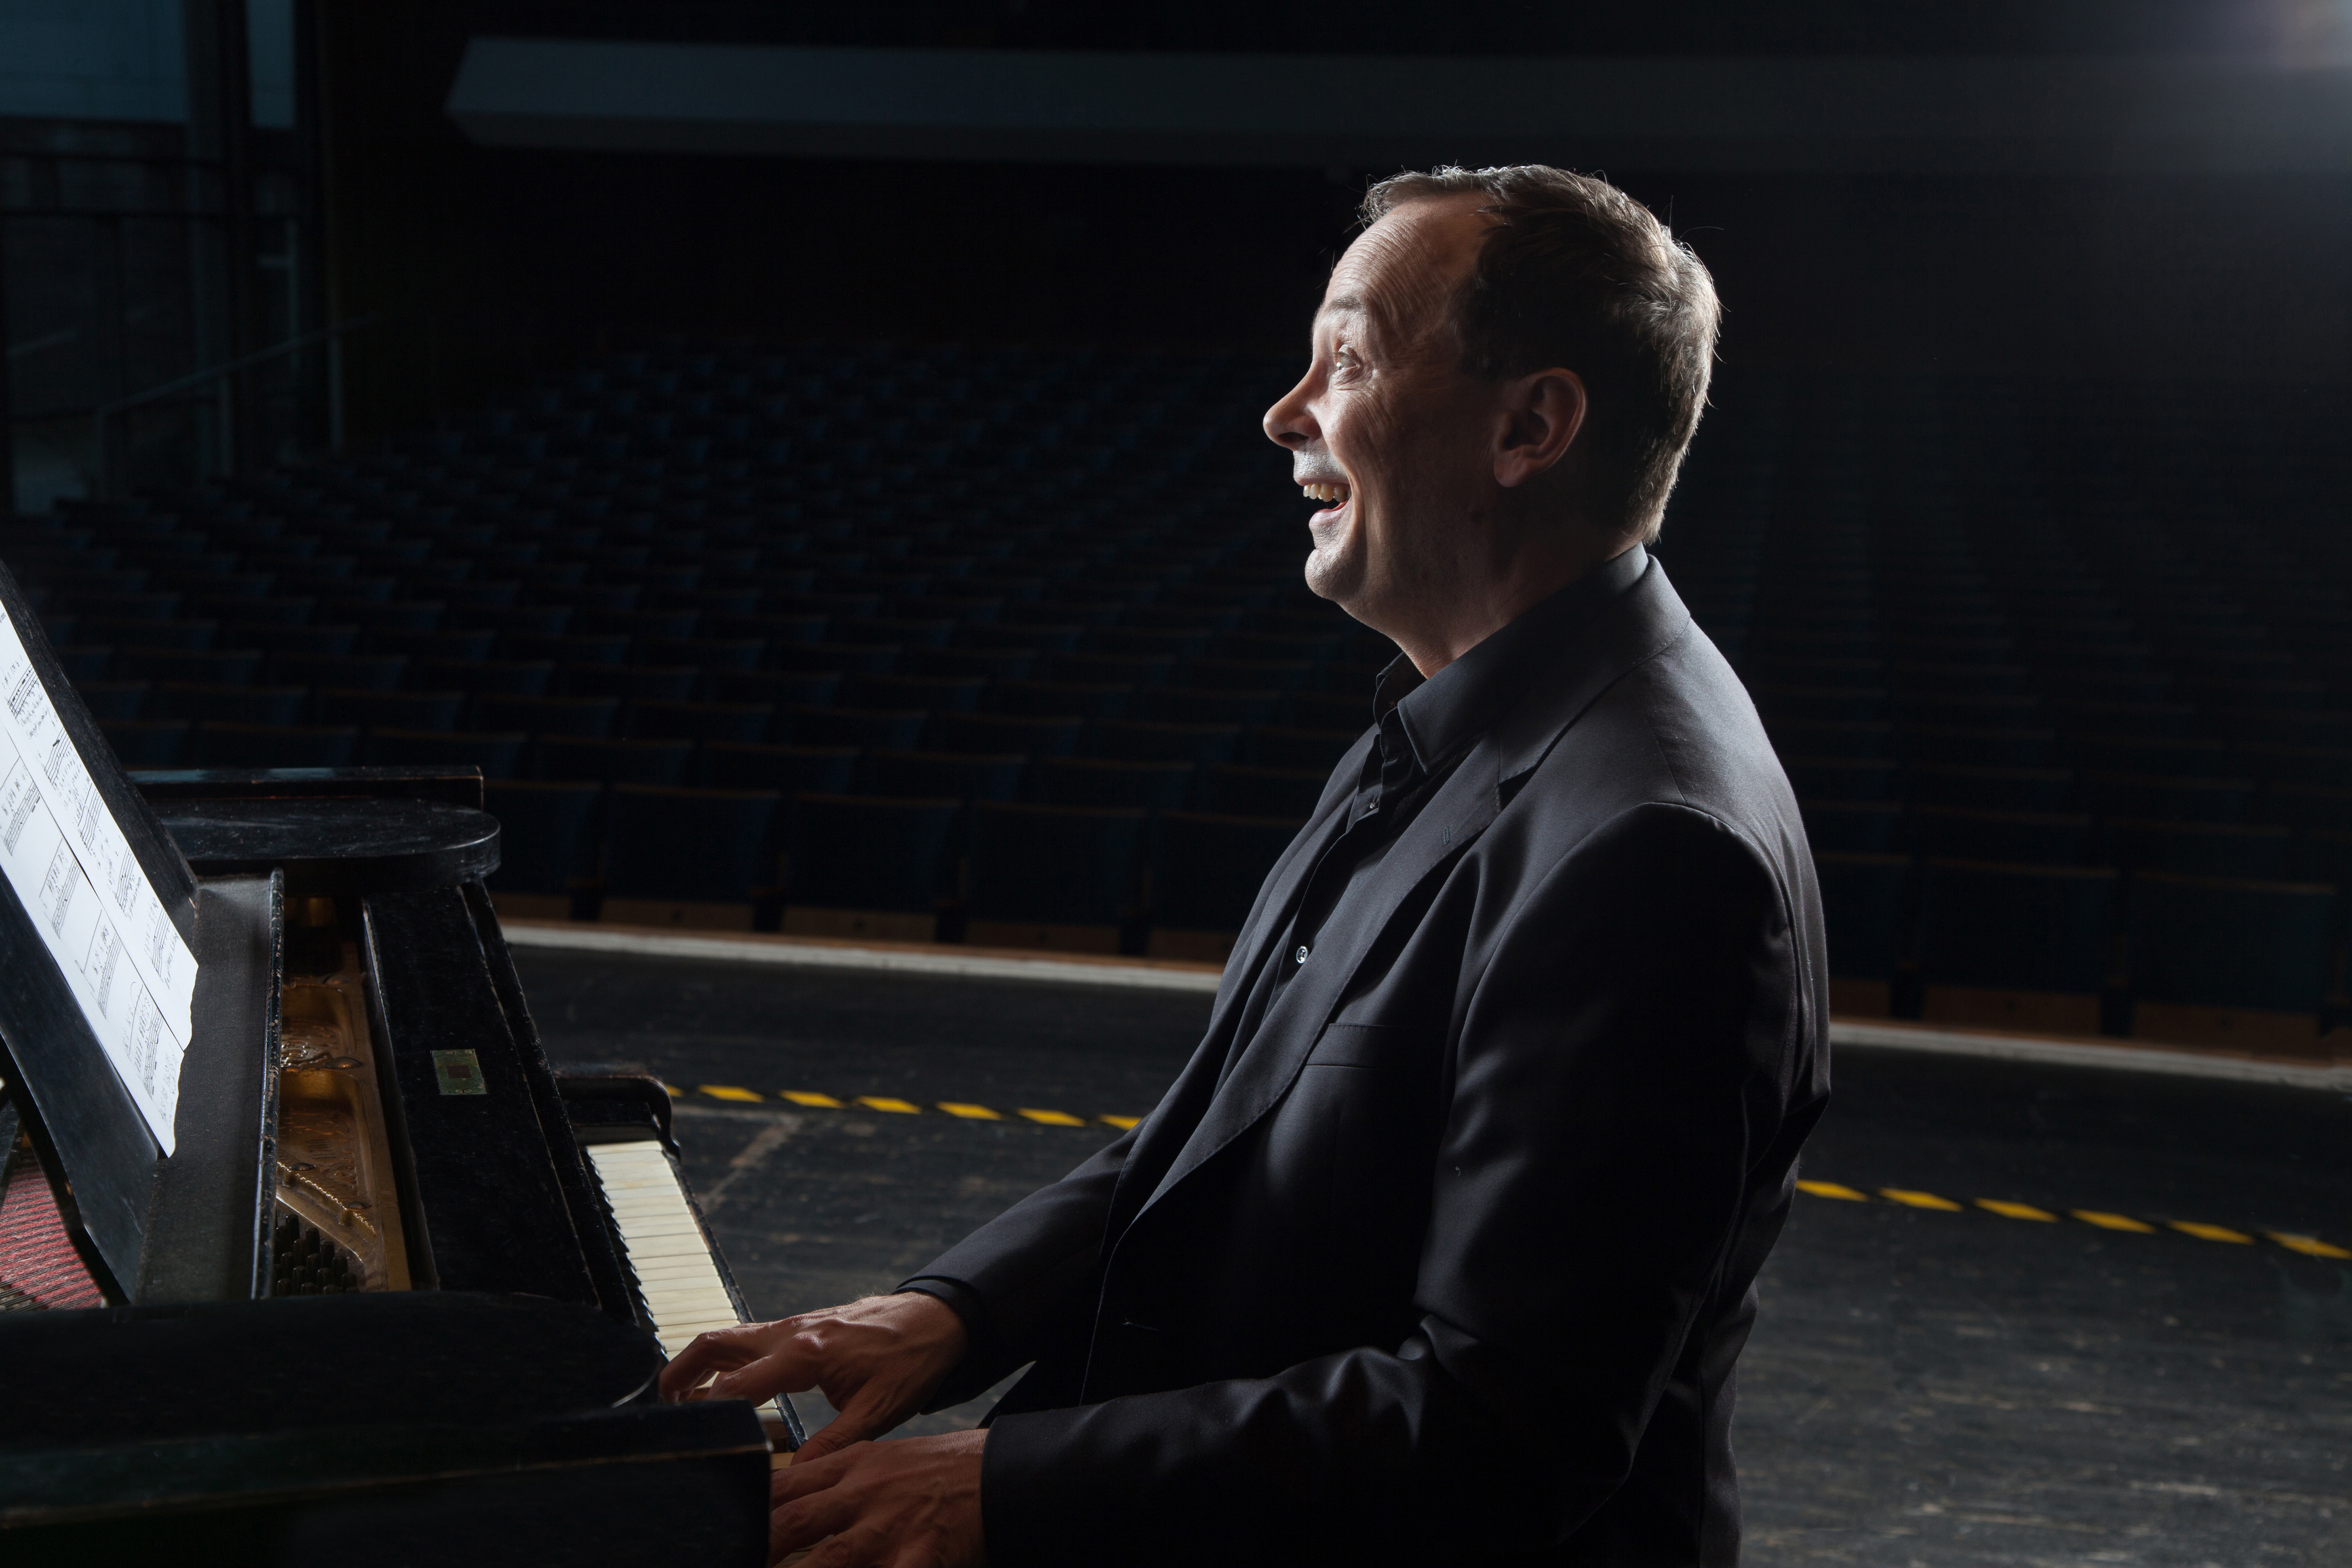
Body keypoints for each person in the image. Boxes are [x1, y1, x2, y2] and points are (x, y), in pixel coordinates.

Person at [661, 164, 1830, 1568]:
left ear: (1529, 427)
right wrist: (951, 1312)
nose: (1286, 411)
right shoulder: (1458, 713)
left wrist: (994, 1490)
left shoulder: (1653, 849)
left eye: (1348, 359)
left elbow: (1504, 1432)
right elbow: (1226, 1135)